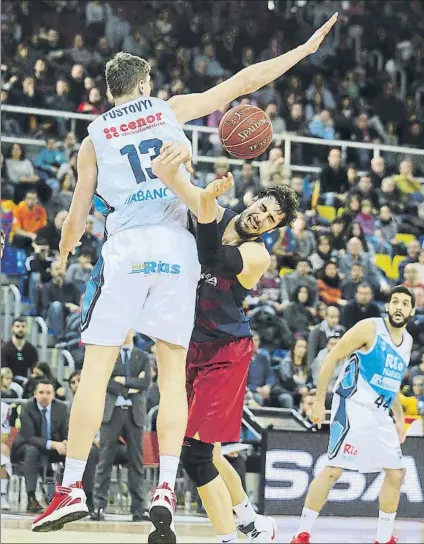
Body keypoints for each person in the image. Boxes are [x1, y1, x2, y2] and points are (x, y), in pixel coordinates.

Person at [32, 14, 338, 537]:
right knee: (172, 376)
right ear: (146, 85)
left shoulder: (94, 136)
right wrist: (303, 51)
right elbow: (243, 82)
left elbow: (77, 219)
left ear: (111, 92)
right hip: (180, 250)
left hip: (128, 246)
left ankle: (72, 488)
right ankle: (168, 487)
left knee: (98, 368)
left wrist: (62, 253)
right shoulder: (170, 110)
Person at [152, 149, 300, 543]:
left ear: (273, 228)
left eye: (271, 219)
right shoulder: (214, 210)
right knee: (210, 451)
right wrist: (171, 162)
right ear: (254, 200)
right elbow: (171, 180)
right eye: (263, 207)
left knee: (197, 456)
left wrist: (204, 199)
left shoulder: (256, 255)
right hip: (189, 346)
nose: (262, 217)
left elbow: (211, 256)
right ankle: (250, 520)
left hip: (226, 352)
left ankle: (229, 537)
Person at [291, 286, 415, 544]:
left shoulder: (408, 342)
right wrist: (318, 401)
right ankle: (301, 534)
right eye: (395, 302)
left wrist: (400, 420)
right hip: (352, 405)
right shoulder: (370, 328)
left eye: (405, 303)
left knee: (396, 473)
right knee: (334, 469)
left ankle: (383, 538)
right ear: (388, 306)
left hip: (380, 414)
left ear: (412, 311)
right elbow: (331, 359)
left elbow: (390, 385)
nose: (399, 307)